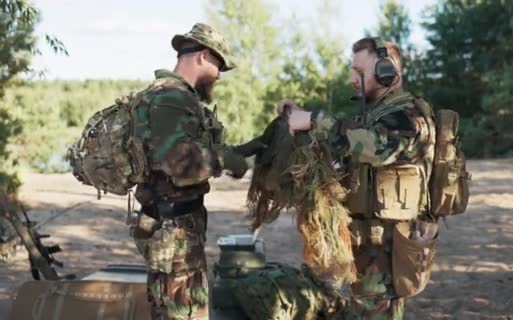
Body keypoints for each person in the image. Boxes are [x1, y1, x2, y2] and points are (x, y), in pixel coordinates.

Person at [277, 37, 438, 319]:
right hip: (369, 242)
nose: (353, 79)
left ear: (387, 71)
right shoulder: (378, 115)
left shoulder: (408, 115)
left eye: (360, 72)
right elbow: (349, 141)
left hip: (386, 246)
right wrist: (301, 117)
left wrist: (315, 119)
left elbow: (375, 148)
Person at [129, 23, 256, 320]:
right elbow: (179, 162)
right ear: (202, 56)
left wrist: (248, 150)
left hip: (172, 222)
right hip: (172, 227)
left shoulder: (175, 97)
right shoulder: (171, 98)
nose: (220, 75)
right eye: (219, 65)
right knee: (184, 312)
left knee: (172, 308)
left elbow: (187, 150)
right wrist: (227, 161)